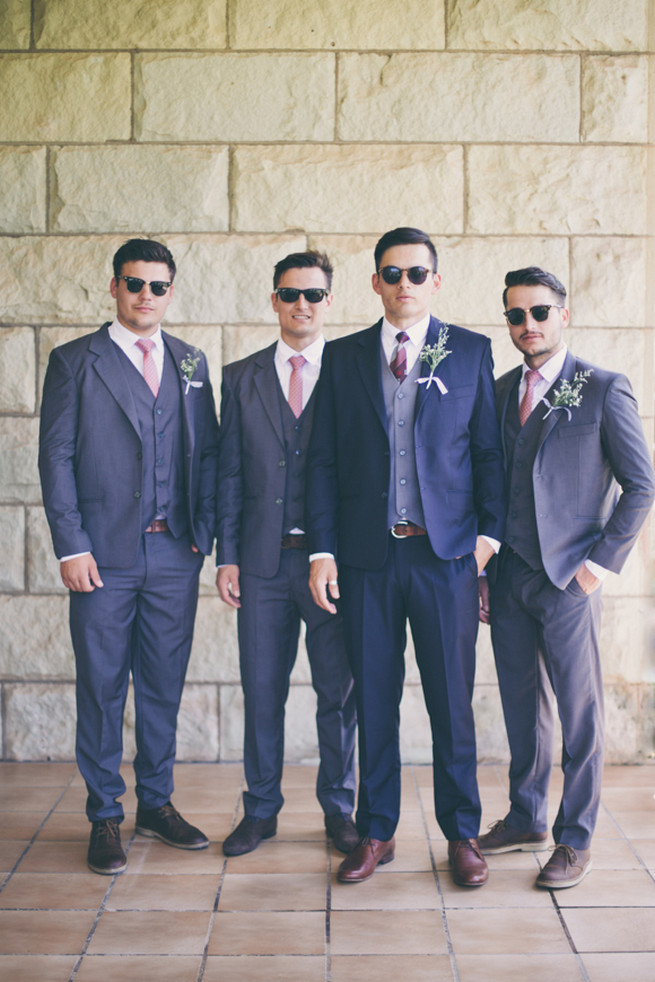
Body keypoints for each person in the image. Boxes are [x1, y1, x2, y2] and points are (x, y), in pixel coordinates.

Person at [306, 227, 506, 886]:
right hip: (366, 559)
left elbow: (487, 456)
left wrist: (486, 540)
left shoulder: (471, 351)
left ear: (435, 282)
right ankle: (376, 831)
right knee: (375, 700)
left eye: (416, 274)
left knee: (450, 702)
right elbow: (325, 463)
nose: (403, 286)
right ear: (373, 282)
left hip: (444, 559)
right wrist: (323, 551)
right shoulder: (341, 357)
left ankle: (462, 833)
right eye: (391, 274)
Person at [39, 238, 219, 875]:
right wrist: (71, 545)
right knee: (103, 686)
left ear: (171, 292)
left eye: (158, 286)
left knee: (164, 686)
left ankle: (158, 804)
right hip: (103, 558)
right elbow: (55, 456)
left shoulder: (191, 362)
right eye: (135, 284)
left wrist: (208, 534)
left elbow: (212, 455)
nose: (147, 296)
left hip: (175, 552)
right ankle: (104, 816)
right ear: (114, 287)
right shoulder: (74, 361)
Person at [478, 266, 655, 889]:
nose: (528, 325)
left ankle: (574, 838)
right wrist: (483, 571)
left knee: (580, 718)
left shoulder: (604, 388)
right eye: (516, 315)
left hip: (568, 583)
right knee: (523, 710)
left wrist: (593, 571)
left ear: (563, 314)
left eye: (540, 312)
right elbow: (489, 490)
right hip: (506, 579)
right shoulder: (498, 391)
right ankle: (526, 816)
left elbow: (641, 486)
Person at [216, 251, 357, 857]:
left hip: (334, 567)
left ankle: (340, 810)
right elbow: (226, 474)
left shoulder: (354, 373)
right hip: (262, 564)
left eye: (315, 295)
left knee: (339, 695)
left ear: (330, 301)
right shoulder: (240, 376)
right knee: (262, 690)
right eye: (291, 293)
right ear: (273, 299)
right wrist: (226, 557)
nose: (303, 304)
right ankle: (261, 810)